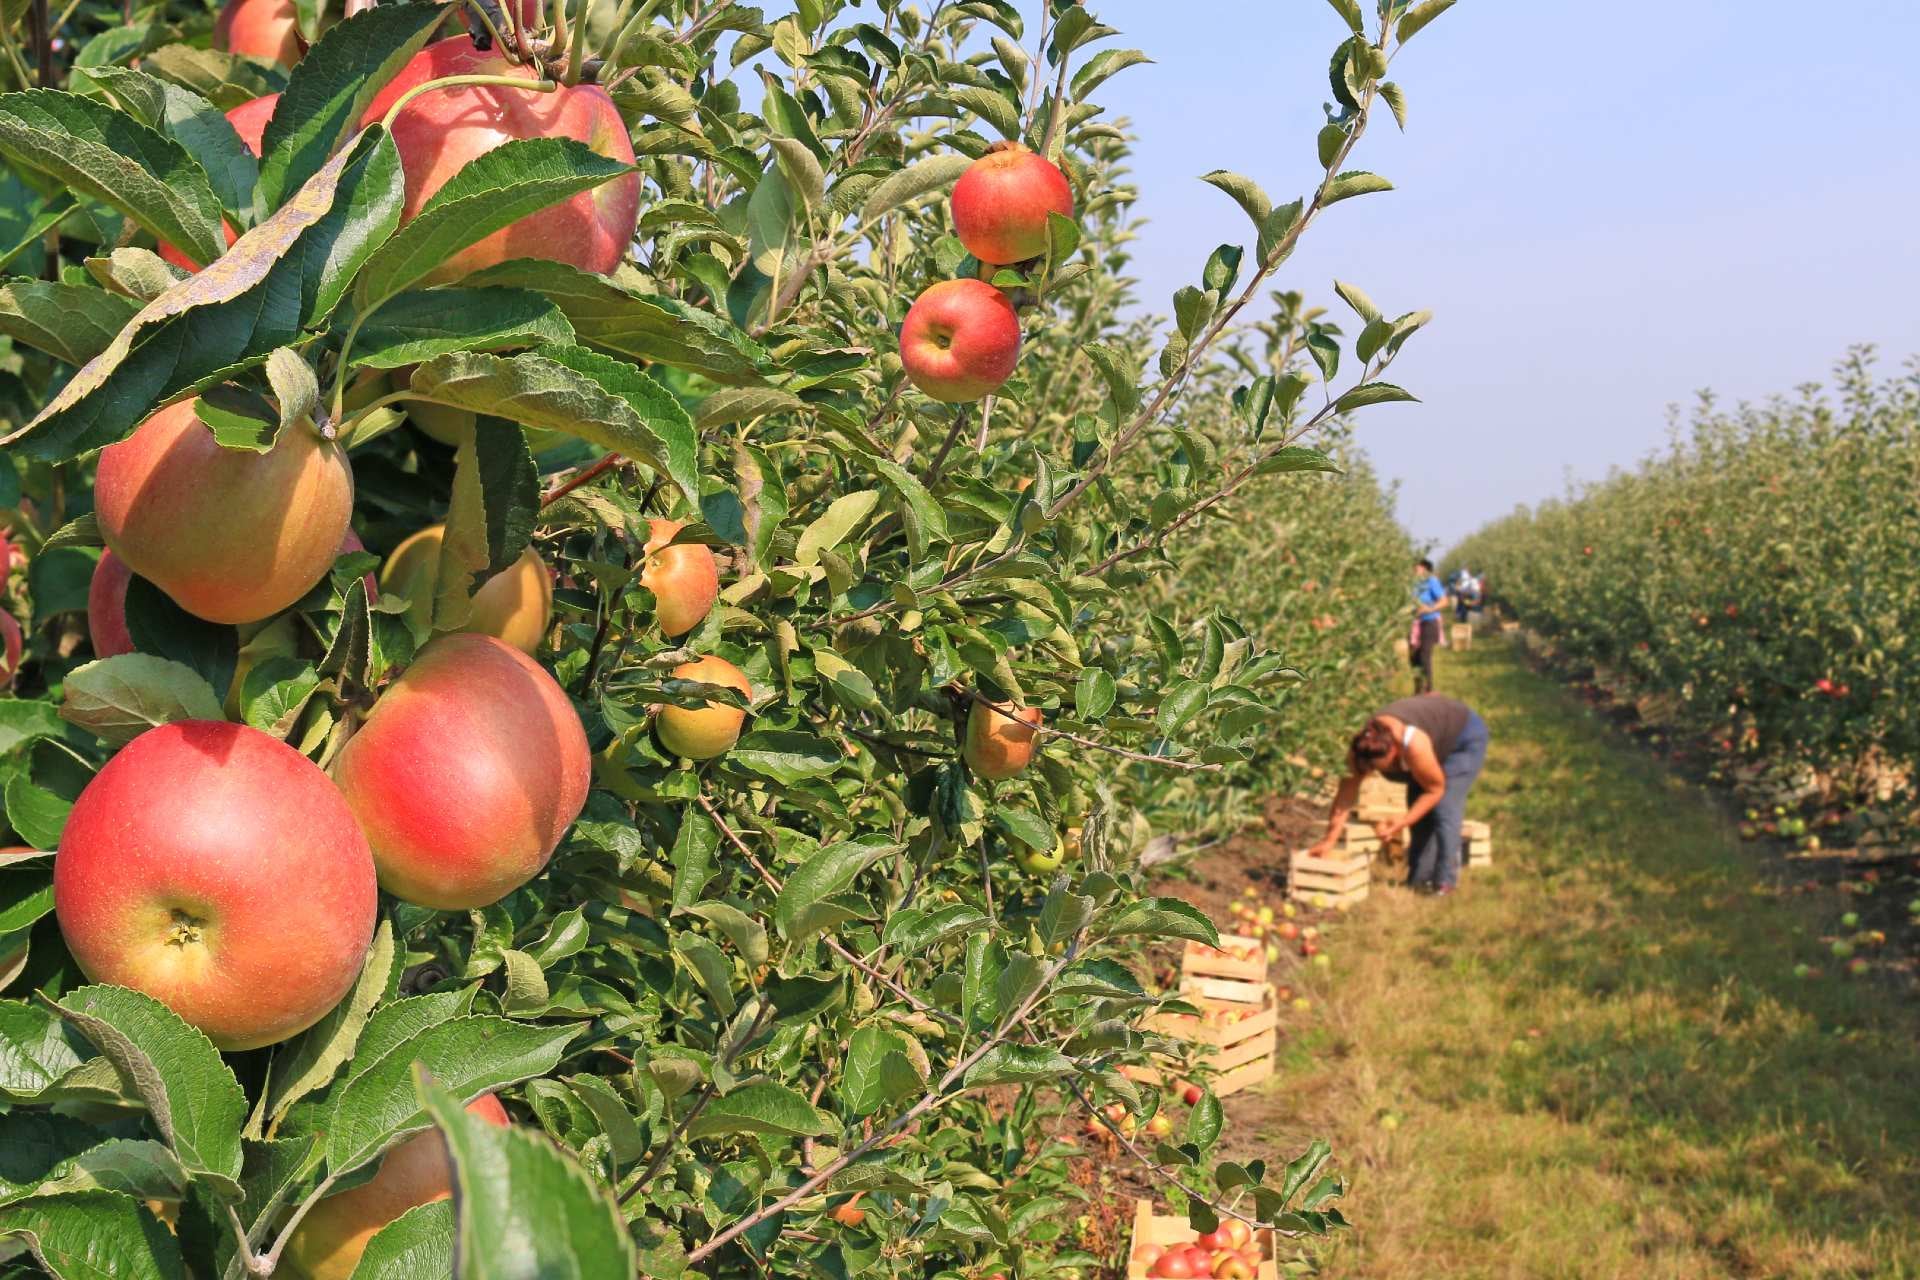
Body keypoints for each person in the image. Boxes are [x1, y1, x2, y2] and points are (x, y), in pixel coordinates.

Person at [1307, 693, 1490, 895]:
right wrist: (1329, 840)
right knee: (1417, 808)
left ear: (1395, 748)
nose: (1384, 771)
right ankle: (1419, 880)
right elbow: (1345, 797)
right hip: (1433, 738)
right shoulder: (1361, 747)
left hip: (1462, 738)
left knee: (1445, 808)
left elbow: (1434, 790)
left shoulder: (1414, 744)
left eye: (1390, 765)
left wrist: (1401, 821)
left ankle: (1445, 882)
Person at [1409, 558, 1448, 694]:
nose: (1415, 569)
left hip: (1429, 622)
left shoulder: (1431, 581)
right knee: (1414, 658)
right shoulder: (1411, 584)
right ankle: (1417, 690)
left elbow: (1444, 601)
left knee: (1425, 656)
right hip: (1414, 623)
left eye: (1417, 567)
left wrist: (1429, 608)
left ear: (1424, 568)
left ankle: (1428, 690)